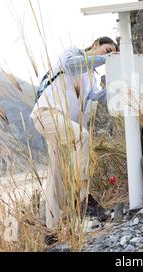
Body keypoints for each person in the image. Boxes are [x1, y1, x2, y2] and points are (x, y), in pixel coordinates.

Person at [30, 37, 118, 233]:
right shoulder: (73, 53)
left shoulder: (91, 78)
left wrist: (117, 87)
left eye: (112, 52)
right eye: (107, 50)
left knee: (57, 175)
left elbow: (95, 97)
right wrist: (107, 59)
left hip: (63, 124)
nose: (109, 54)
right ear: (96, 44)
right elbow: (68, 66)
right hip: (47, 113)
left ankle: (50, 229)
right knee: (82, 137)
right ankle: (84, 200)